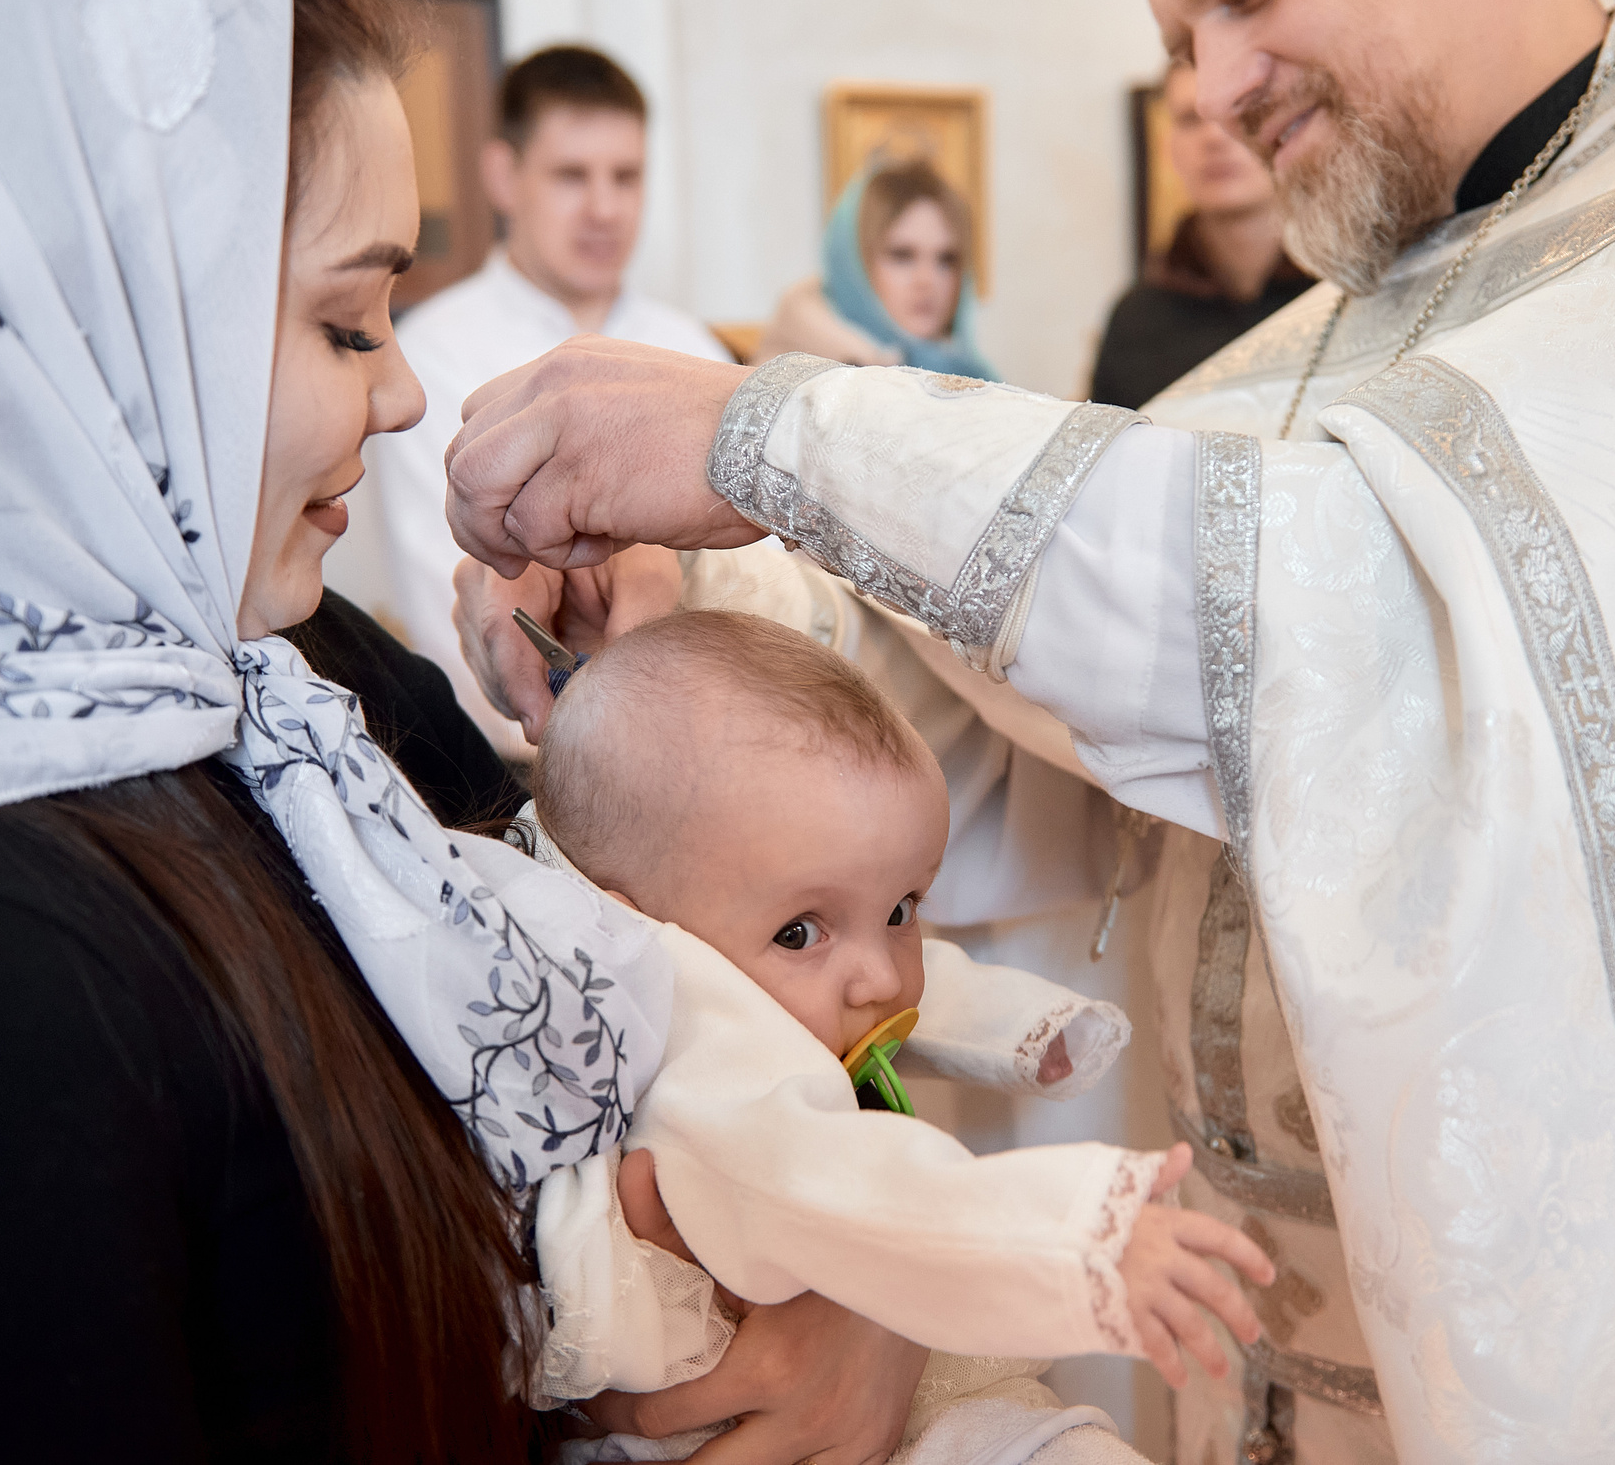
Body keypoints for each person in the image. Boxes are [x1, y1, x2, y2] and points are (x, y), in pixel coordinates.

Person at [436, 0, 1615, 1462]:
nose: (1217, 88)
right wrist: (685, 621)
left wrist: (763, 430)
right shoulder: (1333, 340)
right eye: (1180, 40)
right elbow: (1043, 717)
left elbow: (1337, 609)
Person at [0, 0, 920, 1465]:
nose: (401, 393)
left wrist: (857, 1298)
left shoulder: (291, 678)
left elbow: (711, 995)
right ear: (75, 321)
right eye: (344, 319)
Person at [512, 609, 1272, 1464]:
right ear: (635, 929)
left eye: (903, 908)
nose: (880, 975)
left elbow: (922, 988)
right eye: (802, 931)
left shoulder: (716, 965)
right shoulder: (714, 1082)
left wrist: (1025, 1029)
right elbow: (859, 1186)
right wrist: (1075, 1236)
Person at [369, 45, 727, 755]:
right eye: (572, 175)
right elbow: (455, 611)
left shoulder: (694, 351)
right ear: (505, 175)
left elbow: (759, 581)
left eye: (626, 176)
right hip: (510, 764)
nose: (604, 208)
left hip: (705, 735)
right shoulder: (435, 356)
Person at [1091, 63, 1316, 411]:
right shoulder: (1136, 320)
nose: (1213, 137)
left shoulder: (1348, 294)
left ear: (1289, 131)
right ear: (1169, 147)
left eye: (1240, 113)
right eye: (1190, 119)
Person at [763, 157, 997, 380]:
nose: (927, 280)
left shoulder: (970, 375)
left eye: (947, 259)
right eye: (902, 255)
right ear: (853, 265)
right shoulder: (795, 385)